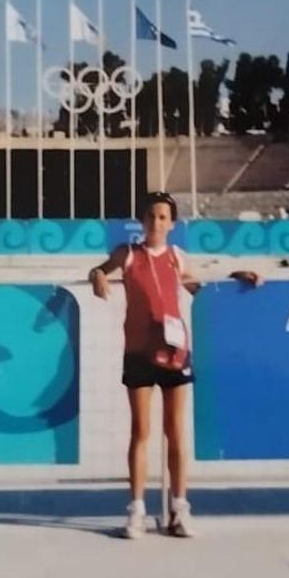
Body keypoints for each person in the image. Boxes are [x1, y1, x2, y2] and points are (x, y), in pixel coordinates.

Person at [88, 191, 261, 538]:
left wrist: (235, 276)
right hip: (138, 352)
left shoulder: (177, 257)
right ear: (142, 220)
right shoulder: (128, 254)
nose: (156, 222)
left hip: (175, 352)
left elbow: (201, 289)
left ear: (172, 223)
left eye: (163, 217)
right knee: (141, 432)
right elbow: (100, 269)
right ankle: (136, 510)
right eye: (151, 215)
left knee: (176, 432)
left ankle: (179, 508)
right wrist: (98, 275)